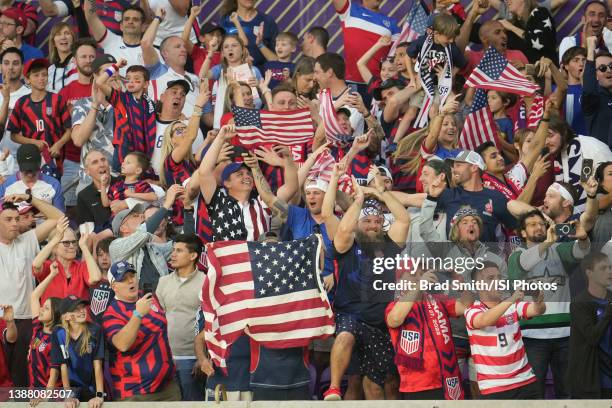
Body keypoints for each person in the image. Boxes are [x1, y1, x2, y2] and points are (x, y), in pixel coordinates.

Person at [321, 165, 410, 401]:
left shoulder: (388, 245)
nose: (372, 225)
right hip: (349, 314)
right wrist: (357, 201)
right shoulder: (347, 244)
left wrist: (382, 191)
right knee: (346, 338)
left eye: (377, 221)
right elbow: (331, 216)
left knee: (381, 381)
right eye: (367, 221)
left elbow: (403, 219)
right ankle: (333, 387)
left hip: (380, 322)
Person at [507, 209, 591, 398]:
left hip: (565, 335)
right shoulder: (515, 255)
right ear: (522, 232)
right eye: (532, 224)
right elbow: (522, 265)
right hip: (532, 337)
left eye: (541, 224)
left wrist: (583, 238)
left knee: (568, 391)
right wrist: (546, 243)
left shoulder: (559, 250)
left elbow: (580, 252)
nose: (538, 227)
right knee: (534, 394)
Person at [0, 192, 62, 387]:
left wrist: (30, 198)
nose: (14, 224)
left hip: (27, 320)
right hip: (1, 321)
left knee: (21, 381)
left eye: (17, 219)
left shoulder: (27, 240)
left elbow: (58, 218)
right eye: (8, 219)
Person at [385, 267, 469, 400]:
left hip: (449, 382)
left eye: (421, 274)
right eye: (413, 274)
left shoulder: (439, 299)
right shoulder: (394, 306)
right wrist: (420, 284)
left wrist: (461, 284)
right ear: (399, 280)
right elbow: (394, 319)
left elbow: (466, 307)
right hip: (418, 386)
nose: (419, 277)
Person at [465, 262, 546, 399]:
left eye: (499, 277)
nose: (498, 282)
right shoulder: (472, 311)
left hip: (525, 381)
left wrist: (537, 300)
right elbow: (484, 320)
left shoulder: (513, 306)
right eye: (491, 278)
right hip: (495, 387)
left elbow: (538, 311)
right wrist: (511, 299)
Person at [102, 261, 180, 401]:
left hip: (168, 386)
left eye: (132, 275)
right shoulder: (111, 313)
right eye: (123, 279)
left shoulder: (149, 297)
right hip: (136, 392)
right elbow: (122, 344)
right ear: (114, 286)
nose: (130, 280)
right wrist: (137, 314)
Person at [155, 234, 205, 401]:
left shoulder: (206, 283)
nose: (173, 255)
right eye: (173, 250)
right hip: (165, 360)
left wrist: (203, 357)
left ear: (193, 256)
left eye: (179, 250)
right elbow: (156, 320)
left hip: (193, 360)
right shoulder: (163, 282)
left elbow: (212, 323)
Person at [430, 150, 518, 242]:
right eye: (454, 166)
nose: (454, 170)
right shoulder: (448, 194)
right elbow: (422, 200)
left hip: (486, 255)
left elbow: (515, 228)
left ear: (474, 167)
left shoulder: (496, 198)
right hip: (455, 255)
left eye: (458, 165)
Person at [108, 184, 182, 291]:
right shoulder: (115, 246)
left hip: (160, 298)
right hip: (138, 301)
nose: (142, 216)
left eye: (140, 214)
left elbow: (181, 244)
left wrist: (188, 208)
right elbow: (144, 231)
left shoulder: (150, 246)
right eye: (135, 216)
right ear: (123, 228)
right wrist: (166, 204)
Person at [8, 58, 72, 168]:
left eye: (44, 74)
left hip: (55, 159)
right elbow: (13, 135)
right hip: (30, 160)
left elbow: (70, 130)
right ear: (27, 79)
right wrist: (33, 142)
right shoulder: (21, 103)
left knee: (53, 184)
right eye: (36, 75)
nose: (41, 78)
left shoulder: (57, 99)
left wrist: (58, 145)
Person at [330, 0, 400, 100]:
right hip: (351, 83)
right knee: (350, 115)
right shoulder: (350, 10)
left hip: (377, 85)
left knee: (372, 115)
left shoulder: (392, 24)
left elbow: (397, 57)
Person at [95, 60, 156, 173]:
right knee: (121, 184)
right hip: (123, 152)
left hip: (142, 154)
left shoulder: (150, 104)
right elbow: (99, 82)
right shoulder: (120, 98)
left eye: (136, 79)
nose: (131, 82)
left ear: (146, 84)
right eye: (128, 79)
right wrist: (116, 66)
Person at [58, 37, 97, 210]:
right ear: (75, 60)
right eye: (84, 56)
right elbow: (59, 127)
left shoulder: (104, 87)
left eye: (92, 57)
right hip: (73, 160)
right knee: (68, 208)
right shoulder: (66, 91)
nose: (88, 61)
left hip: (101, 159)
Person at [141, 8, 201, 117]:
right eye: (177, 47)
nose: (183, 49)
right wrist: (157, 18)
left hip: (194, 132)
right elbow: (145, 43)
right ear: (165, 53)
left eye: (184, 47)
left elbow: (205, 116)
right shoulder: (157, 71)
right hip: (164, 131)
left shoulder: (195, 78)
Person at [71, 54, 118, 193]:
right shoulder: (82, 104)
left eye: (115, 70)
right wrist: (95, 105)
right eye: (107, 71)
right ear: (96, 77)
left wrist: (119, 100)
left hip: (120, 180)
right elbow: (78, 140)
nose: (113, 75)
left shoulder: (127, 104)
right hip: (89, 181)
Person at [568, 252, 612, 398]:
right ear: (589, 273)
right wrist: (608, 313)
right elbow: (592, 337)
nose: (609, 272)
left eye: (610, 267)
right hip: (595, 378)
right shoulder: (579, 304)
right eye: (603, 268)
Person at [31, 216, 102, 306]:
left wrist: (84, 247)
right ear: (55, 248)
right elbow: (36, 265)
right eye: (66, 243)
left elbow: (95, 278)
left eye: (74, 242)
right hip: (53, 318)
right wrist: (56, 238)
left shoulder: (81, 267)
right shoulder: (48, 266)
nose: (72, 246)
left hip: (77, 318)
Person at [51, 295, 104, 405]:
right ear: (66, 316)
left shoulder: (95, 330)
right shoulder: (58, 333)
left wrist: (99, 395)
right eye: (76, 309)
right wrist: (68, 396)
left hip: (92, 389)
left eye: (83, 307)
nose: (82, 311)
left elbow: (97, 364)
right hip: (71, 389)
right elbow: (63, 366)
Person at [83, 3, 147, 77]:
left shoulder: (150, 50)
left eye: (135, 19)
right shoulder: (110, 41)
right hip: (112, 88)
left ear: (143, 27)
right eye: (126, 19)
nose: (130, 22)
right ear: (121, 26)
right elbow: (91, 16)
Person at [0, 144, 64, 211]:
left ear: (40, 163)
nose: (30, 175)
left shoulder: (54, 184)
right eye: (26, 170)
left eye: (34, 169)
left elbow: (61, 216)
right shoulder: (6, 185)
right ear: (19, 164)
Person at [28, 265, 61, 392]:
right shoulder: (38, 328)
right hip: (34, 393)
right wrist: (52, 275)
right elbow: (34, 296)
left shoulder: (56, 339)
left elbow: (55, 373)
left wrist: (46, 397)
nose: (41, 309)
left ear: (55, 314)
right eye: (43, 306)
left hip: (50, 396)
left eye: (46, 308)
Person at [219, 0, 279, 69]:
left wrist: (260, 45)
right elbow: (219, 54)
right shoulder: (225, 21)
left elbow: (277, 59)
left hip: (262, 76)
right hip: (233, 76)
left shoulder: (268, 21)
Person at [0, 47, 30, 170]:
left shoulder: (31, 95)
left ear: (23, 67)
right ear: (0, 67)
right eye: (6, 63)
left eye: (15, 63)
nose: (11, 67)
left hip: (23, 162)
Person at [582, 36, 612, 146]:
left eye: (611, 66)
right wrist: (590, 50)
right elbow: (589, 90)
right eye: (603, 68)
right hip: (602, 159)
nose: (609, 70)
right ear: (595, 76)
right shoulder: (594, 99)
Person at [182, 6, 224, 76]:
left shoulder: (225, 54)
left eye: (219, 35)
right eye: (211, 34)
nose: (216, 38)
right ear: (202, 38)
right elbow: (184, 40)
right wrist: (192, 17)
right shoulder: (198, 52)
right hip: (201, 86)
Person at [560, 46, 588, 135]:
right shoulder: (557, 90)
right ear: (566, 66)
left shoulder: (596, 88)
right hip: (567, 143)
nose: (581, 64)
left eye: (584, 60)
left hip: (591, 143)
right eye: (576, 60)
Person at [46, 22, 77, 93]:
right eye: (58, 34)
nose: (63, 37)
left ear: (73, 39)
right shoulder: (50, 70)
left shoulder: (80, 64)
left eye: (67, 33)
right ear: (53, 43)